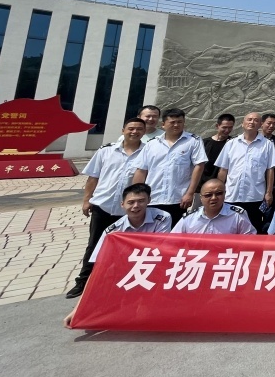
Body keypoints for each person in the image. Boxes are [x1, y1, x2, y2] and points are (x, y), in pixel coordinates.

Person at [63, 183, 171, 327]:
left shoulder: (162, 217)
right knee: (105, 274)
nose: (136, 206)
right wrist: (76, 310)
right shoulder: (112, 231)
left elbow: (160, 253)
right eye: (131, 202)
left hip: (154, 266)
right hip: (126, 270)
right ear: (122, 204)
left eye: (141, 201)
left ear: (149, 201)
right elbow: (97, 270)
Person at [66, 118, 148, 299]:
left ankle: (118, 281)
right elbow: (93, 177)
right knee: (95, 244)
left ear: (144, 132)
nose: (135, 132)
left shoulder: (148, 152)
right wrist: (87, 200)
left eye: (139, 129)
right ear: (123, 130)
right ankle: (84, 281)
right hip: (103, 206)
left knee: (126, 248)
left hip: (128, 211)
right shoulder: (106, 150)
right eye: (131, 128)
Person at [132, 108, 206, 225]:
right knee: (150, 232)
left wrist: (190, 193)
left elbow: (199, 166)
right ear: (163, 124)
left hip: (178, 199)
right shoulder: (152, 144)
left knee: (174, 232)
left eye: (180, 122)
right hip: (152, 198)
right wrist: (137, 195)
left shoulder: (193, 141)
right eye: (172, 122)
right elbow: (141, 170)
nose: (176, 125)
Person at [214, 111, 275, 233]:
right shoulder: (231, 144)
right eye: (249, 119)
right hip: (231, 195)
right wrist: (218, 191)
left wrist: (269, 192)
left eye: (256, 120)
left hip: (254, 196)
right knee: (229, 229)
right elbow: (223, 169)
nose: (252, 122)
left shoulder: (267, 145)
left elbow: (270, 170)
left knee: (253, 229)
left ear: (260, 124)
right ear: (242, 123)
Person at [171, 179, 257, 235]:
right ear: (201, 198)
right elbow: (172, 240)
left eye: (219, 193)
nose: (214, 198)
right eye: (208, 195)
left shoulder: (237, 215)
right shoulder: (189, 218)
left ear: (225, 194)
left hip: (228, 256)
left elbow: (250, 240)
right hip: (198, 257)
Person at [201, 113, 235, 187]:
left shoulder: (233, 143)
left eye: (230, 127)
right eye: (224, 127)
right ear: (217, 126)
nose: (227, 130)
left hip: (222, 185)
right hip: (202, 184)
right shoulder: (205, 143)